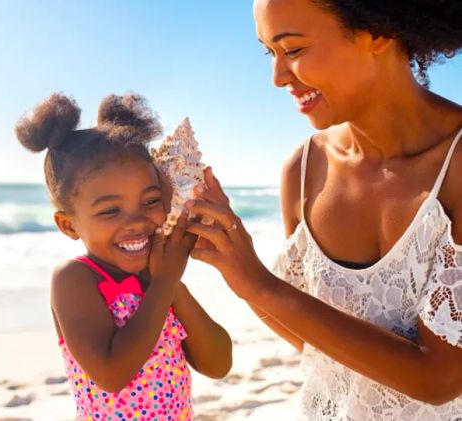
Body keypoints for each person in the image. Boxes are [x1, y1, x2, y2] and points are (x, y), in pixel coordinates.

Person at [185, 0, 462, 419]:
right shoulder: (303, 170)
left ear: (377, 32)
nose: (278, 78)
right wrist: (235, 265)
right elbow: (312, 343)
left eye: (292, 50)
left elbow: (440, 379)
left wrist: (260, 285)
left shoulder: (456, 168)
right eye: (269, 53)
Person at [15, 92, 232, 420]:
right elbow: (112, 375)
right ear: (68, 224)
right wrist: (164, 282)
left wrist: (172, 286)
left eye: (149, 201)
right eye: (110, 210)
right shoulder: (75, 279)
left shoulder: (157, 277)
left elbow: (218, 364)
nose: (137, 221)